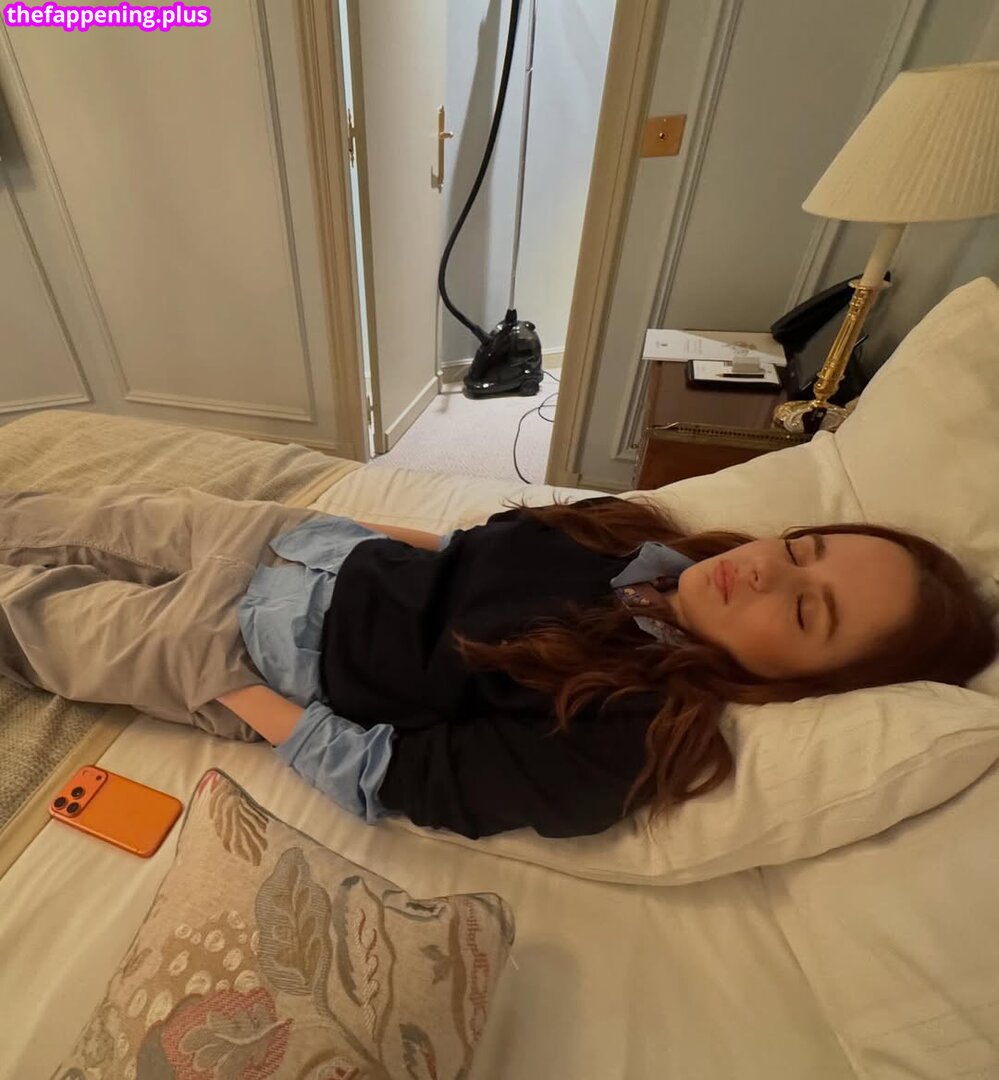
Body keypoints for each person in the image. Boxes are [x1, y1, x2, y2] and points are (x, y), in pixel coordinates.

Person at [1, 488, 994, 840]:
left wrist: (221, 684)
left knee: (29, 623)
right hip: (285, 539)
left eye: (807, 610)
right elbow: (461, 547)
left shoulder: (622, 734)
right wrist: (326, 527)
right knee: (54, 515)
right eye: (803, 548)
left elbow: (401, 777)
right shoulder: (630, 533)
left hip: (238, 655)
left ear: (799, 685)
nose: (769, 570)